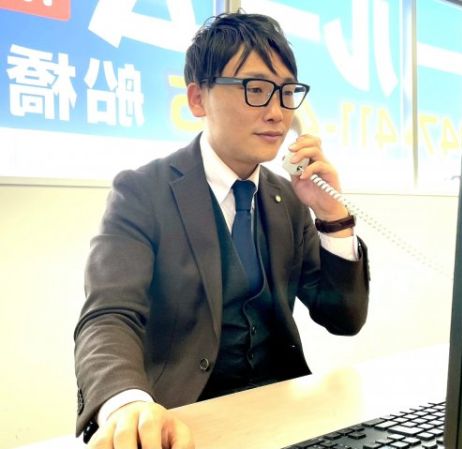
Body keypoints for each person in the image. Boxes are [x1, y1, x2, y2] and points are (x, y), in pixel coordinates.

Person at [74, 11, 370, 449]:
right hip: (184, 420)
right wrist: (126, 403)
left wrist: (332, 218)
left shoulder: (289, 199)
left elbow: (343, 319)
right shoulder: (142, 192)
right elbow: (108, 316)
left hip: (283, 415)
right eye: (256, 89)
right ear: (198, 99)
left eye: (287, 92)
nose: (277, 113)